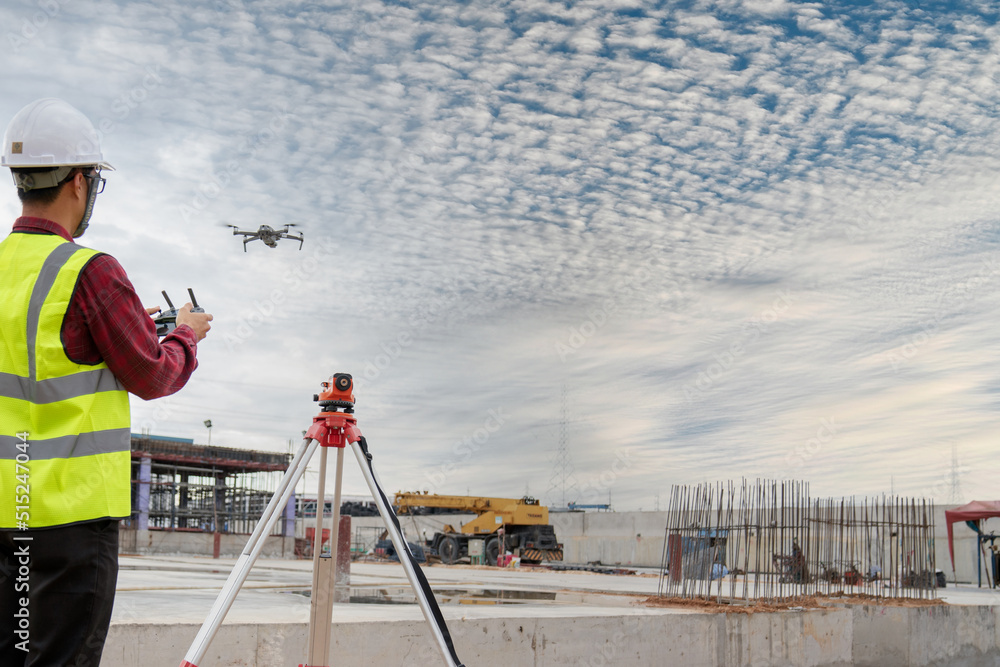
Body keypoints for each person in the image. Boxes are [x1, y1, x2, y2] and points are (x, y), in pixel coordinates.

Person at [0, 98, 213, 666]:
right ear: (78, 182)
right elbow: (154, 374)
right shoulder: (90, 272)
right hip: (68, 525)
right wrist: (185, 335)